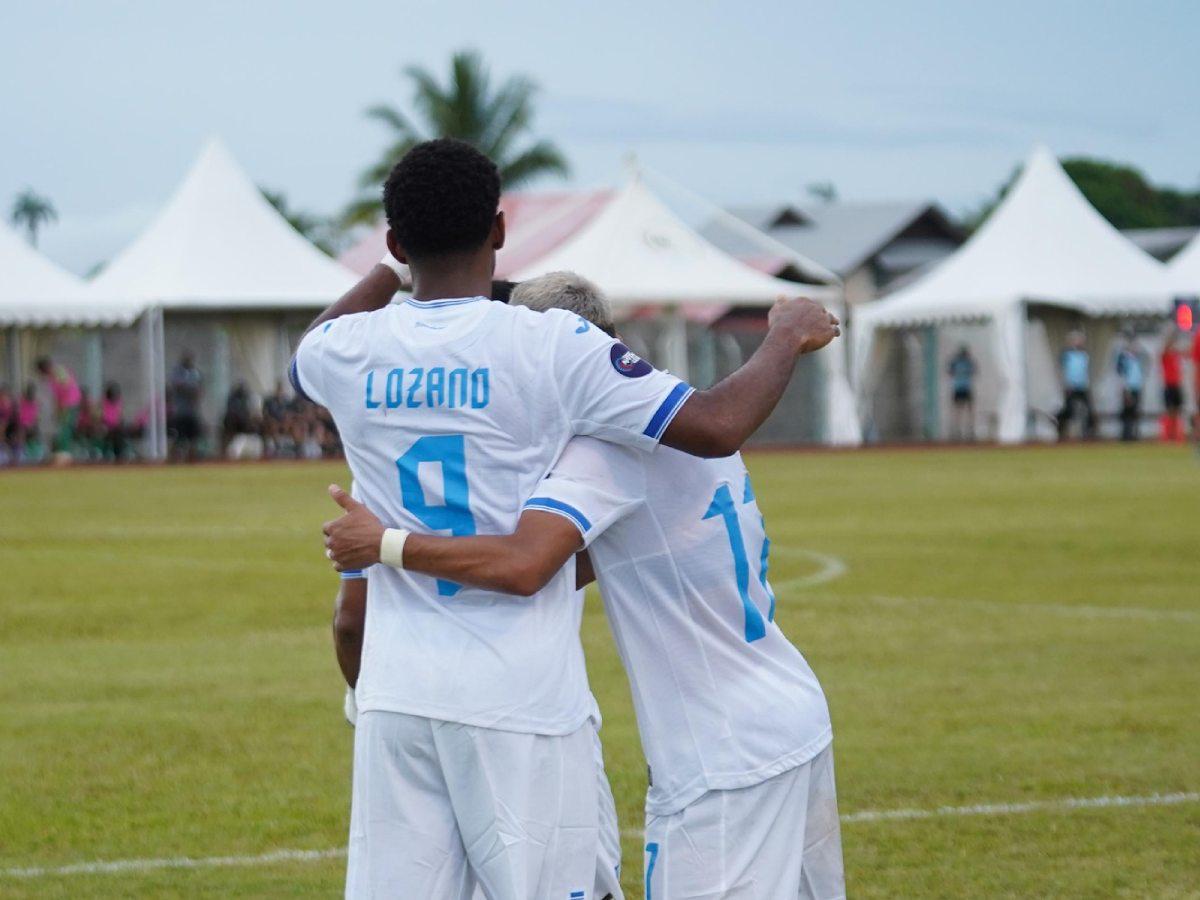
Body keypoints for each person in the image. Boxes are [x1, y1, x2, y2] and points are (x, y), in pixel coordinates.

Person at [290, 139, 840, 900]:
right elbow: (712, 427)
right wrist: (784, 335)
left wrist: (394, 267)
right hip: (518, 699)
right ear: (501, 228)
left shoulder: (346, 352)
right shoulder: (552, 348)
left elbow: (308, 349)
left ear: (392, 240)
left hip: (396, 697)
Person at [35, 356, 82, 455]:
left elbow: (66, 388)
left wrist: (63, 406)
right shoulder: (52, 376)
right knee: (62, 427)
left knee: (64, 428)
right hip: (64, 404)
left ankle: (64, 452)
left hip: (69, 403)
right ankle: (60, 451)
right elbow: (56, 394)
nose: (43, 375)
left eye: (42, 372)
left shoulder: (59, 372)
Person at [1057, 331, 1095, 440]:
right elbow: (1062, 370)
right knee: (1069, 410)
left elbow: (1086, 371)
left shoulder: (1084, 354)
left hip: (1082, 386)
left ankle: (1088, 433)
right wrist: (1065, 384)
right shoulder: (1066, 354)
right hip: (1071, 386)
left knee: (1088, 409)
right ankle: (1060, 427)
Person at [167, 352, 203, 461]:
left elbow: (199, 390)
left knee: (193, 438)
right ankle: (171, 459)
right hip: (180, 411)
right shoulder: (177, 372)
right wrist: (190, 389)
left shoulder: (195, 373)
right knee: (178, 437)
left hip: (192, 411)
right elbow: (178, 386)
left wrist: (192, 390)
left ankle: (191, 459)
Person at [1115, 334, 1145, 442]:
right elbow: (1121, 375)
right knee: (1127, 412)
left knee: (1135, 412)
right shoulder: (1123, 358)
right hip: (1128, 388)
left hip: (1137, 387)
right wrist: (1125, 389)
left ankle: (1134, 434)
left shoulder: (1139, 358)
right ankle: (1126, 435)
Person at [946, 345, 976, 441]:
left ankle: (967, 430)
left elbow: (950, 372)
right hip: (960, 388)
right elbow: (950, 372)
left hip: (963, 387)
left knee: (965, 410)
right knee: (959, 410)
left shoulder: (965, 362)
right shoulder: (960, 362)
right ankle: (958, 430)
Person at [99, 383, 127, 461]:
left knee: (119, 433)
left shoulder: (119, 403)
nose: (115, 397)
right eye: (113, 395)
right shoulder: (103, 403)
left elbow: (120, 417)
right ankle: (105, 454)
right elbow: (102, 417)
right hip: (105, 427)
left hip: (116, 428)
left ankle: (119, 456)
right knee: (106, 432)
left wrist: (118, 424)